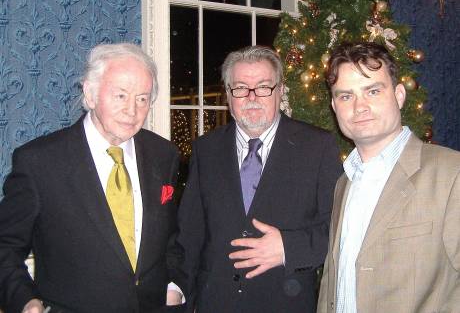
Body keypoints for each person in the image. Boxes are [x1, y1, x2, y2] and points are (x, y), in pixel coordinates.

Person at [0, 43, 185, 313]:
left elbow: (171, 237)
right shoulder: (39, 162)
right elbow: (4, 246)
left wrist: (174, 288)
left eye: (142, 98)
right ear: (90, 93)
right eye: (121, 95)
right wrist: (26, 301)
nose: (132, 110)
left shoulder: (164, 154)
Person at [176, 45, 342, 313]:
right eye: (240, 88)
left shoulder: (318, 147)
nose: (252, 97)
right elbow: (190, 234)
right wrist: (182, 295)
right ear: (228, 95)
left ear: (280, 91)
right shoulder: (206, 149)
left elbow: (338, 229)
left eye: (264, 87)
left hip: (286, 303)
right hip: (216, 303)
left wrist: (288, 248)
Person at [317, 42, 460, 313]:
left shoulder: (451, 174)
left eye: (372, 91)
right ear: (334, 106)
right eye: (346, 96)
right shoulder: (344, 182)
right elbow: (332, 283)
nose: (359, 106)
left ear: (399, 95)